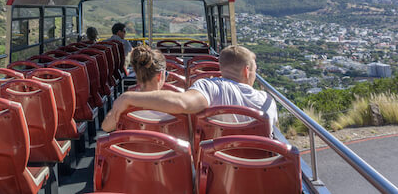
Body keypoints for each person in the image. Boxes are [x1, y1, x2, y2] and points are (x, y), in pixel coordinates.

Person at [102, 45, 277, 132]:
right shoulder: (268, 101)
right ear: (247, 71)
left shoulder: (209, 88)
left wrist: (128, 98)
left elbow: (106, 127)